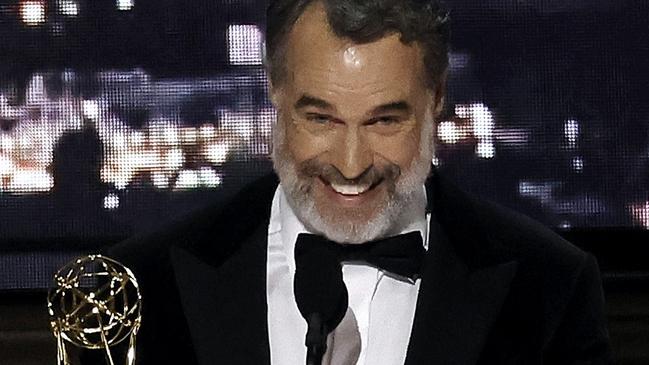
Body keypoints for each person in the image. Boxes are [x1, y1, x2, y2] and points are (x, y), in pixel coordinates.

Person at [92, 0, 612, 364]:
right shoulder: (138, 285)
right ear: (274, 90)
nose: (350, 163)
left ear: (436, 99)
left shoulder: (551, 290)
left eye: (385, 121)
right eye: (320, 119)